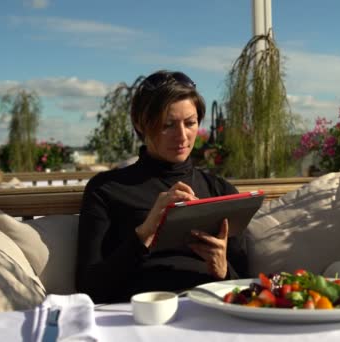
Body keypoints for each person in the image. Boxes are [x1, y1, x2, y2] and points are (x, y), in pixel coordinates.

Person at [76, 70, 246, 304]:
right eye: (168, 125)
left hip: (210, 309)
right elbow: (90, 289)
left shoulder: (220, 191)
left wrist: (223, 269)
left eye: (190, 123)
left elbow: (248, 285)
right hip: (142, 314)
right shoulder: (108, 189)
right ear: (140, 123)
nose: (182, 136)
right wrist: (145, 232)